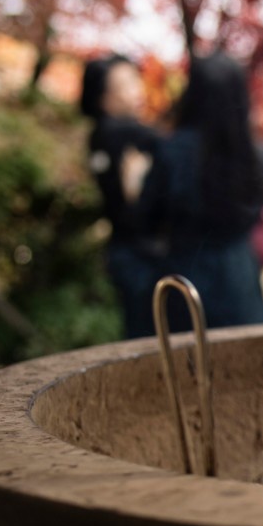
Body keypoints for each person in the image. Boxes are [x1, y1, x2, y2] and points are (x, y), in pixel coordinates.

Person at [139, 53, 263, 331]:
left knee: (186, 365)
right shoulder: (258, 156)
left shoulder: (172, 152)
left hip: (184, 277)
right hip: (240, 279)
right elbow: (258, 212)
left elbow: (146, 219)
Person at [80, 54, 165, 338]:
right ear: (104, 99)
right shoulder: (118, 132)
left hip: (129, 251)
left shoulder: (102, 135)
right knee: (153, 338)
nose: (137, 90)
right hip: (141, 253)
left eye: (135, 80)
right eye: (126, 84)